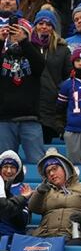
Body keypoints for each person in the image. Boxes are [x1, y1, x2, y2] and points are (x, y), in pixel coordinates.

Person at [0, 18, 45, 163]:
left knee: (39, 163)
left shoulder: (33, 55)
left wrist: (24, 42)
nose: (16, 37)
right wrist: (1, 41)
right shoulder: (3, 57)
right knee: (4, 165)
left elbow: (40, 65)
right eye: (13, 34)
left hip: (30, 119)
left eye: (20, 33)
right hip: (4, 120)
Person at [28, 148, 81, 244]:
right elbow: (33, 208)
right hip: (46, 236)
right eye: (48, 172)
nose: (51, 174)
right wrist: (39, 192)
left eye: (54, 169)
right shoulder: (45, 191)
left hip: (74, 237)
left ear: (65, 168)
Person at [31, 10, 72, 144]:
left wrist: (59, 91)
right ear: (35, 25)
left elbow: (69, 76)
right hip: (32, 104)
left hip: (53, 104)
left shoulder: (63, 49)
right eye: (41, 23)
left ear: (53, 27)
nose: (44, 27)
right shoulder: (28, 47)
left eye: (48, 24)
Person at [0, 150, 30, 238]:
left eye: (12, 167)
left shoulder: (24, 190)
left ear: (18, 170)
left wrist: (10, 196)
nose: (9, 171)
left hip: (12, 238)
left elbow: (22, 222)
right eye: (5, 166)